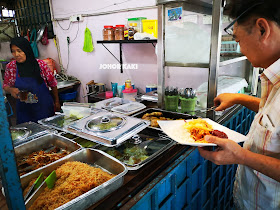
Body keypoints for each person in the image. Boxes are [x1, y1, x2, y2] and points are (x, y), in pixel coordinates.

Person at [198, 0, 280, 209]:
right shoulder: (274, 79)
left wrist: (241, 156)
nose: (240, 48)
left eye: (239, 39)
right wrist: (239, 98)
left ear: (262, 29)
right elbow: (274, 116)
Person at [3, 37, 60, 124]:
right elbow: (5, 85)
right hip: (24, 110)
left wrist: (56, 102)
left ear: (26, 50)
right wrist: (10, 89)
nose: (16, 54)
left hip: (43, 107)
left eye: (19, 50)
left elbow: (53, 84)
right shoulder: (11, 67)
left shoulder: (41, 65)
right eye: (13, 51)